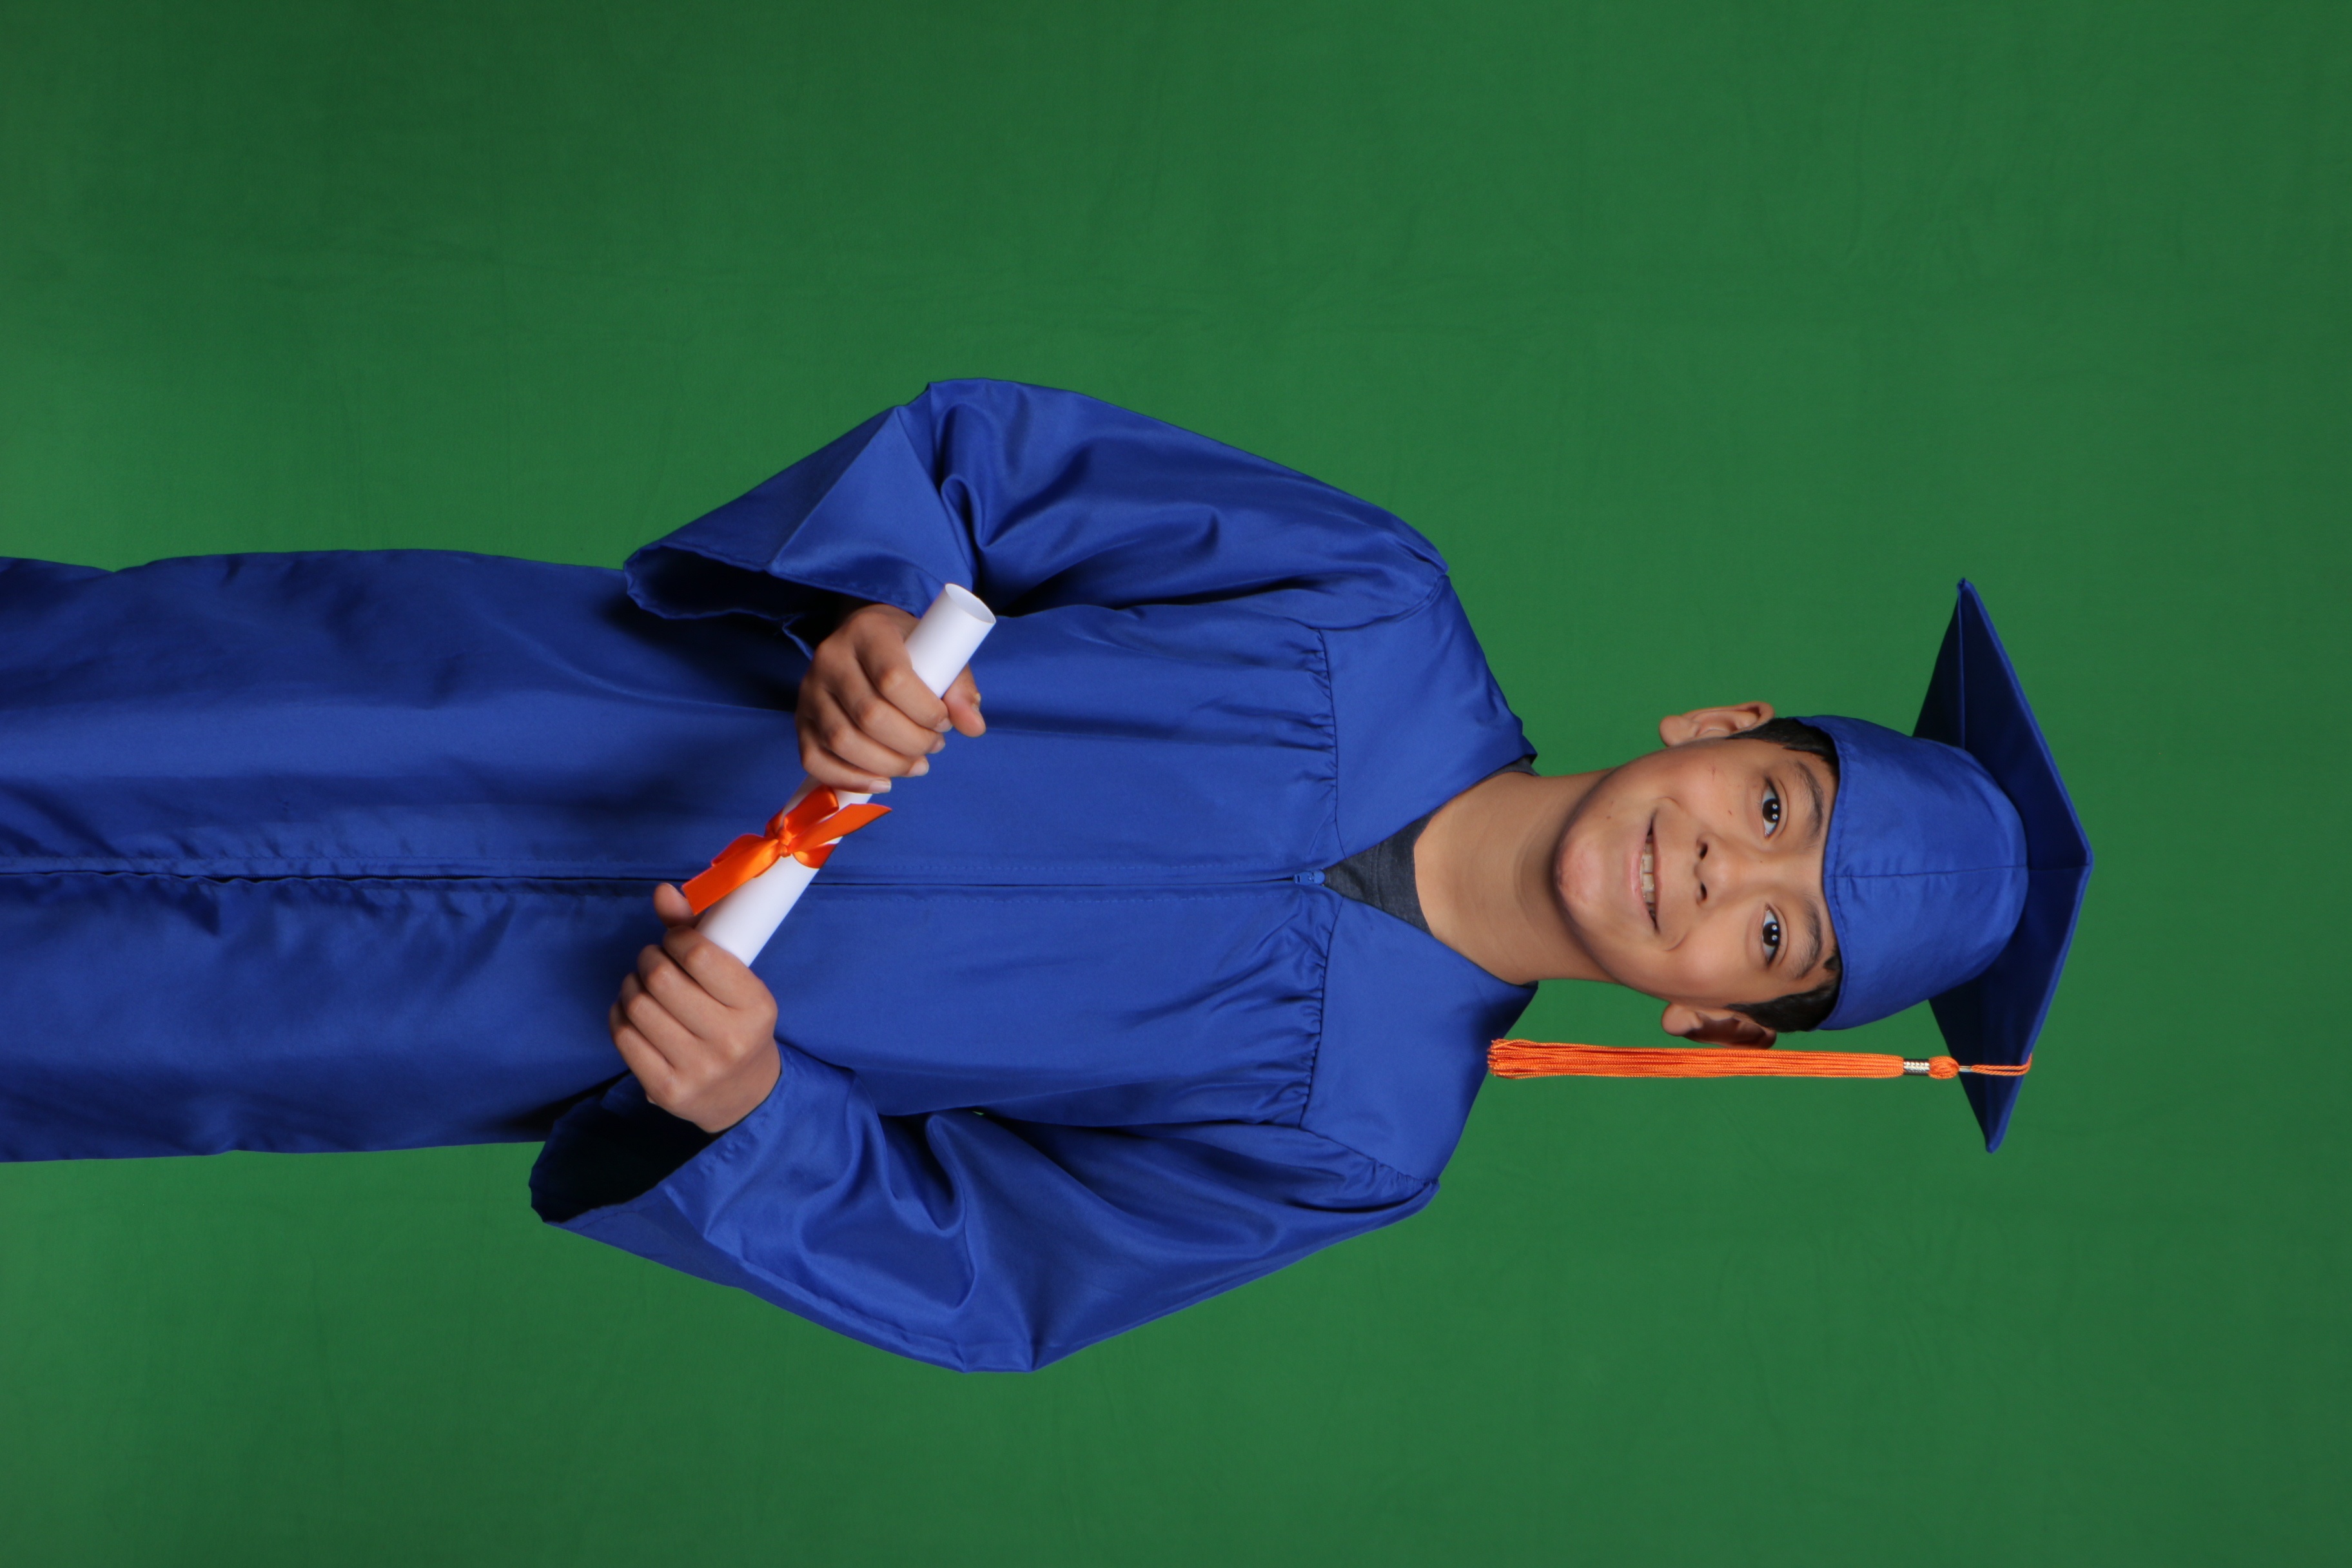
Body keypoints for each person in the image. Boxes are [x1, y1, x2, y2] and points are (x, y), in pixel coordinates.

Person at [0, 380, 2087, 1372]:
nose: (1713, 866)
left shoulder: (1359, 1139)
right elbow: (986, 471)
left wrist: (753, 1117)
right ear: (1724, 723)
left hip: (509, 1019)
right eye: (1773, 806)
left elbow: (992, 1270)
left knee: (88, 1025)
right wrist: (867, 610)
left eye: (1775, 930)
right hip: (520, 715)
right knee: (107, 706)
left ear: (1720, 1018)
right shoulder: (1366, 610)